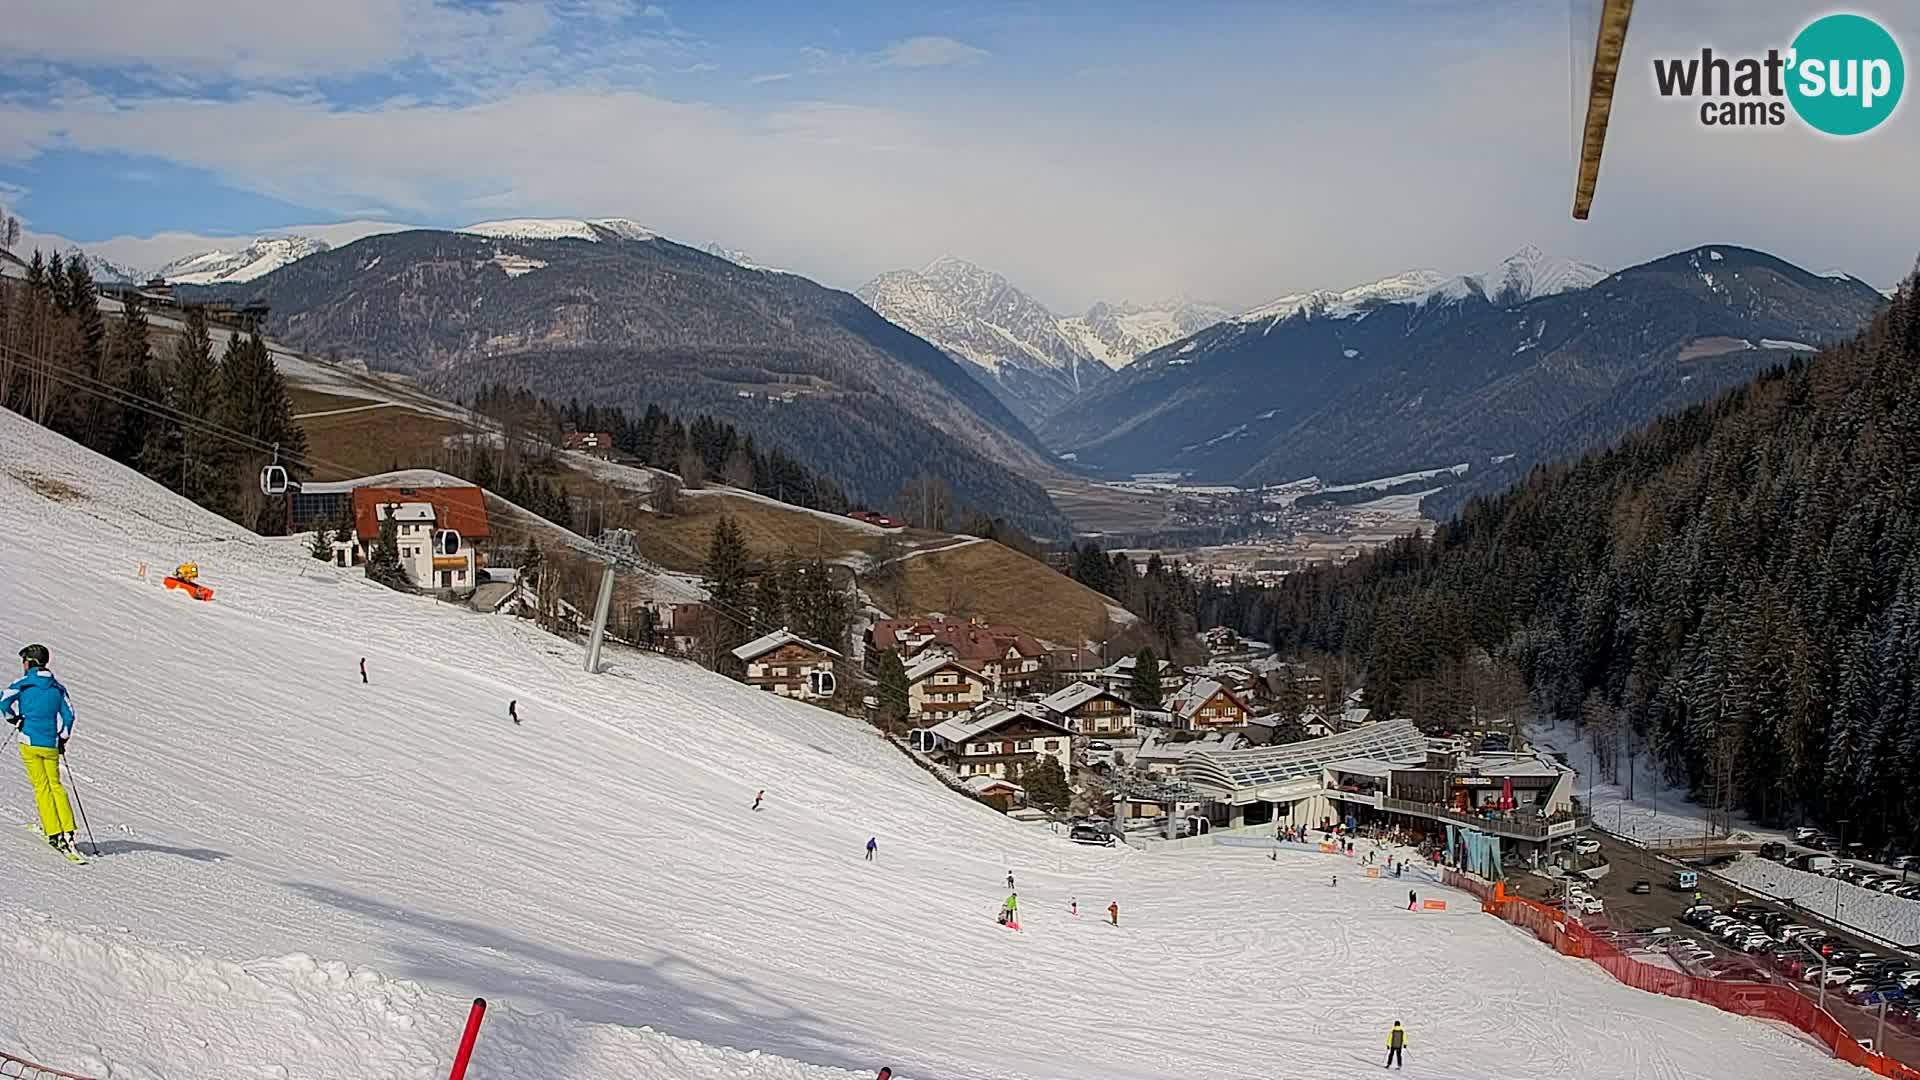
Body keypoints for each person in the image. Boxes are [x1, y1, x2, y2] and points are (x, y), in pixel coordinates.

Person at [2, 645, 79, 856]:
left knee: (41, 787)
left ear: (31, 662)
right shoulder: (57, 688)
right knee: (55, 785)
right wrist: (63, 737)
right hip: (51, 743)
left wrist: (14, 718)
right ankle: (69, 831)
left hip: (28, 741)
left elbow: (3, 700)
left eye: (24, 661)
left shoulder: (24, 684)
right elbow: (70, 714)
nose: (23, 665)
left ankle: (53, 832)